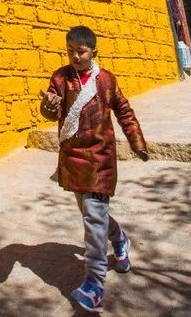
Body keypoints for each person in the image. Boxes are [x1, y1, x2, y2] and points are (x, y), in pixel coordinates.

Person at [40, 25, 149, 313]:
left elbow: (124, 111)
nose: (75, 57)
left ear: (94, 52)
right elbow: (51, 111)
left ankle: (94, 284)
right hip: (73, 157)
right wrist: (48, 105)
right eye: (70, 52)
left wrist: (137, 142)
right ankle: (120, 238)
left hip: (100, 157)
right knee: (92, 214)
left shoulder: (106, 80)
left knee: (93, 216)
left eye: (81, 52)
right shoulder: (60, 78)